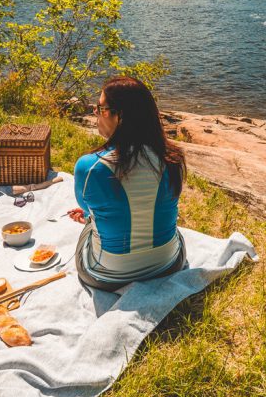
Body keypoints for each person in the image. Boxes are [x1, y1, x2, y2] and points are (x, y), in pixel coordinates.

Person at [71, 76, 187, 291]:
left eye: (100, 108)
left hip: (106, 276)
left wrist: (91, 216)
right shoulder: (173, 158)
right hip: (169, 264)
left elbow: (88, 213)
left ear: (120, 116)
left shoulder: (90, 167)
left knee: (90, 228)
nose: (95, 114)